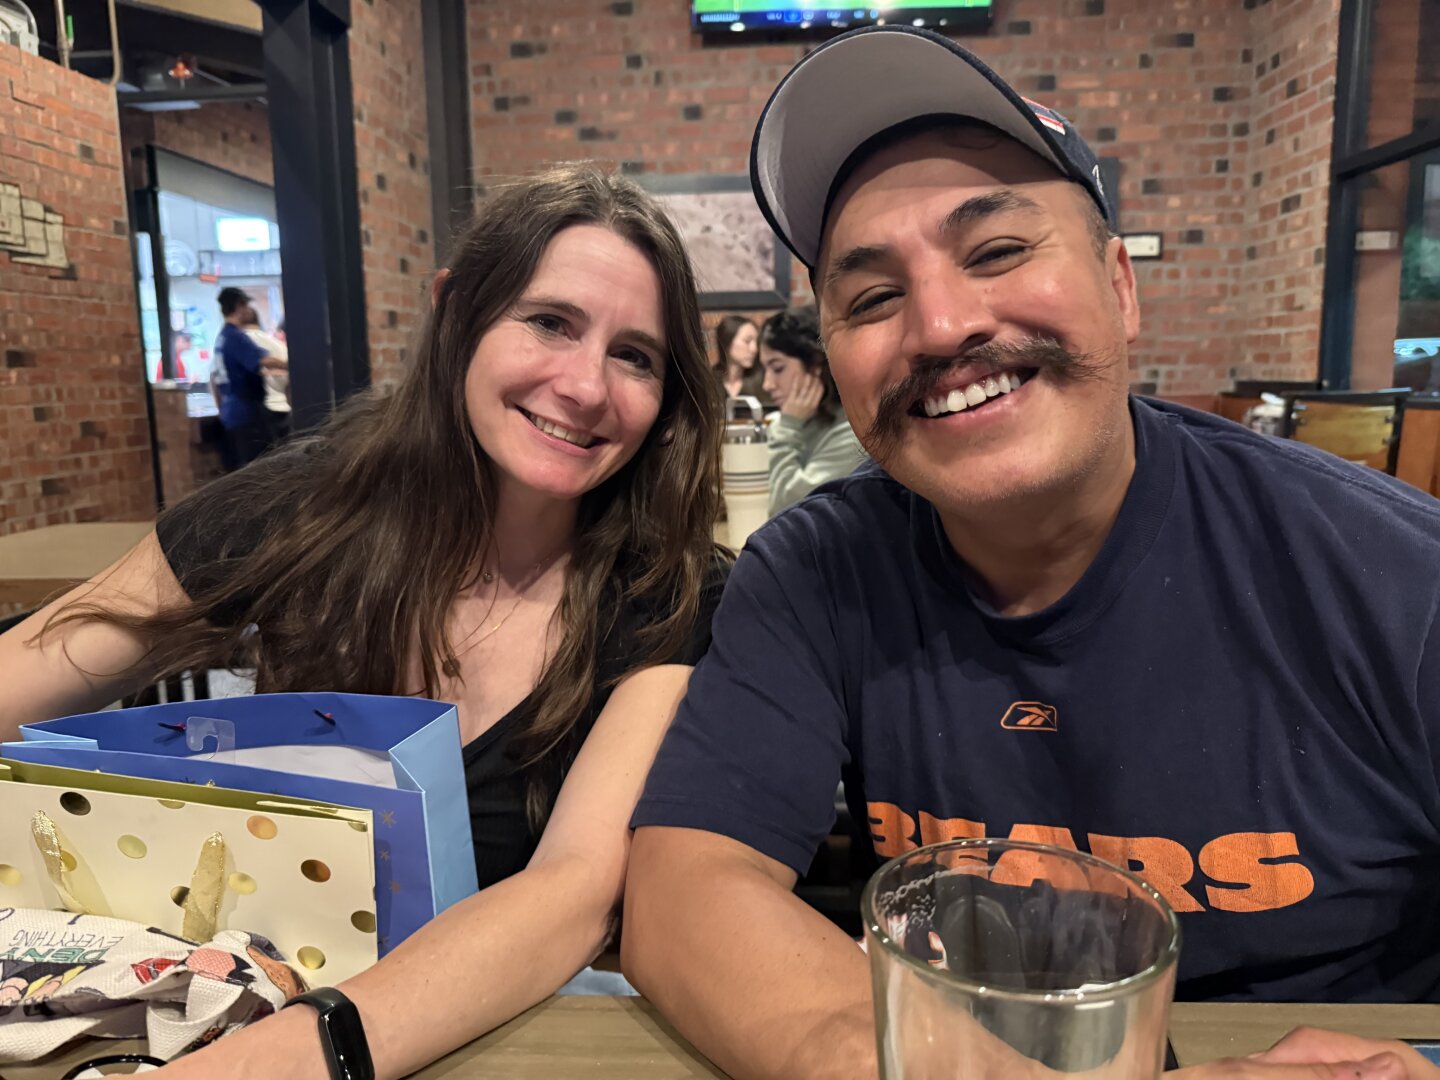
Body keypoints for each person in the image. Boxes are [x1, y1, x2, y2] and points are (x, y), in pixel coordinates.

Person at [622, 26, 1440, 1080]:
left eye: (998, 251)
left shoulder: (1392, 575)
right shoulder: (816, 570)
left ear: (1120, 287)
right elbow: (687, 885)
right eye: (872, 298)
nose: (943, 323)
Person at [1, 165, 728, 1079]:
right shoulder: (303, 509)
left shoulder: (670, 594)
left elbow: (572, 891)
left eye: (636, 356)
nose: (586, 385)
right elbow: (36, 664)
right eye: (549, 322)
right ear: (457, 311)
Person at [758, 305, 866, 515]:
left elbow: (783, 511)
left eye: (778, 368)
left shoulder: (853, 433)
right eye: (764, 370)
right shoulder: (795, 421)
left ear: (815, 364)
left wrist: (789, 426)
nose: (767, 384)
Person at [212, 287, 287, 470]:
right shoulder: (235, 337)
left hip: (231, 412)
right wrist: (293, 365)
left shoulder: (222, 338)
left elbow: (224, 376)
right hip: (247, 413)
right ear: (239, 306)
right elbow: (263, 360)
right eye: (246, 305)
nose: (249, 310)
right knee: (261, 469)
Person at [239, 307, 293, 445]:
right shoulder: (279, 346)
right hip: (282, 411)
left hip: (249, 417)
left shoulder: (231, 345)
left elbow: (216, 378)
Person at [714, 313, 767, 402]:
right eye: (747, 341)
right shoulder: (709, 382)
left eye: (756, 342)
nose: (754, 349)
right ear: (727, 341)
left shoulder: (763, 381)